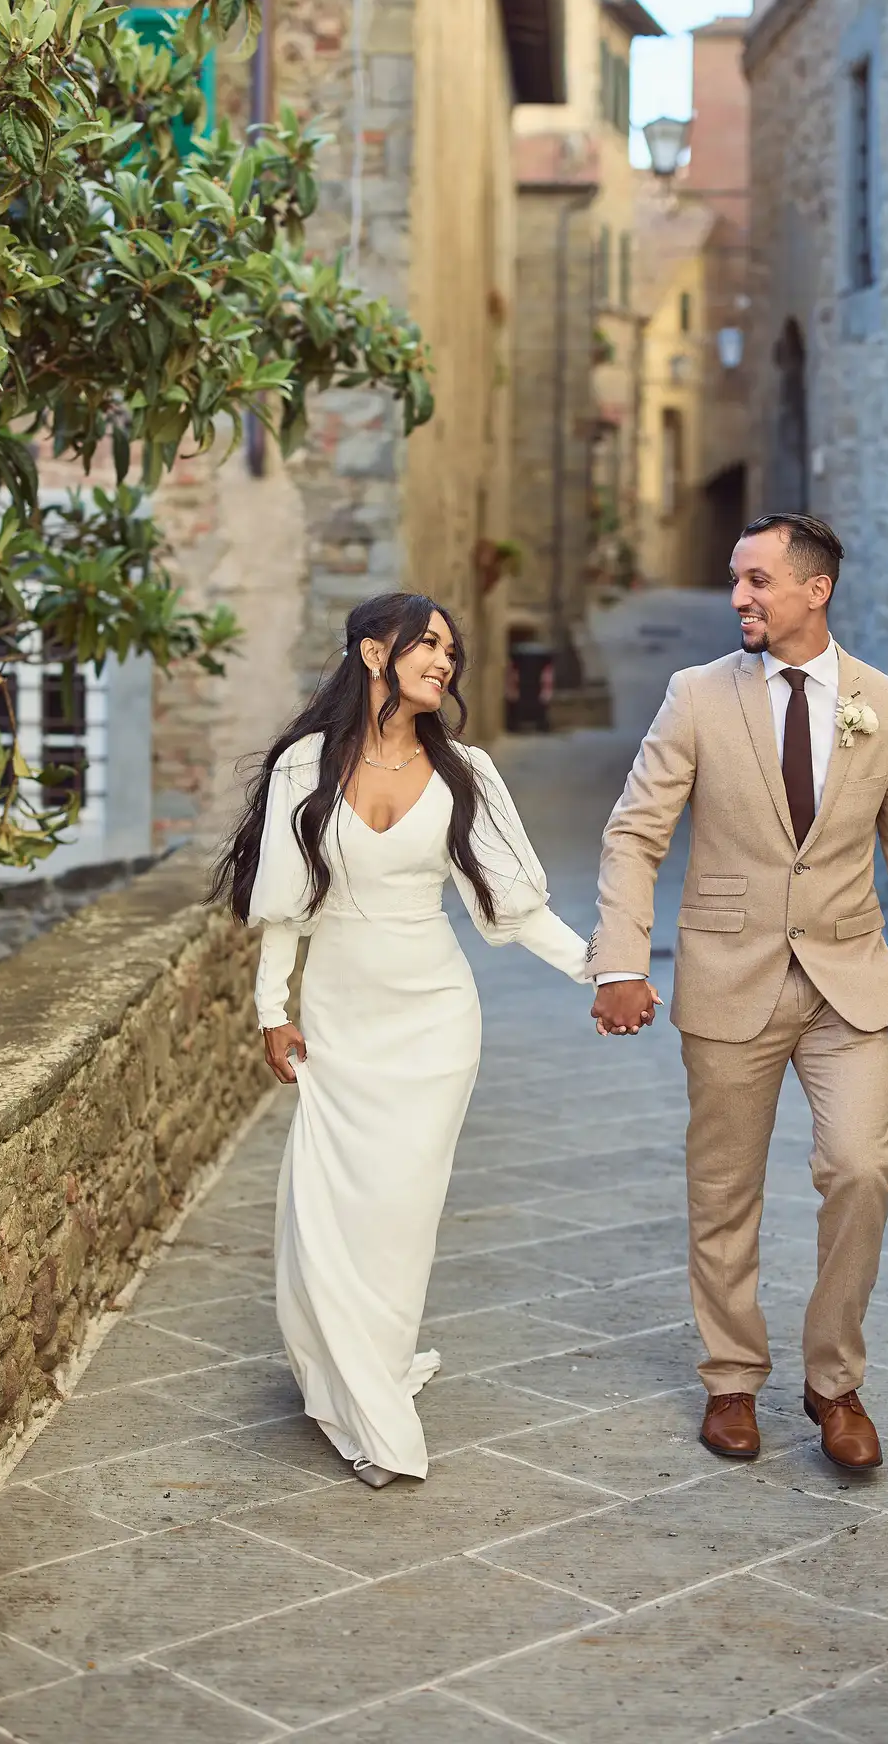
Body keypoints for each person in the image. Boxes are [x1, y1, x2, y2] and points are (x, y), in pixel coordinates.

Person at [588, 514, 888, 1472]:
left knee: (863, 1167)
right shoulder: (696, 695)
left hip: (849, 982)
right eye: (735, 579)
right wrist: (621, 961)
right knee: (725, 1188)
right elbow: (635, 832)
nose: (739, 597)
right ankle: (731, 1376)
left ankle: (834, 1382)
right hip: (730, 975)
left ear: (816, 590)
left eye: (757, 580)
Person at [212, 593, 604, 1489]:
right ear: (372, 653)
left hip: (435, 1024)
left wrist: (601, 970)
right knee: (327, 1209)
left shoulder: (467, 771)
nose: (444, 660)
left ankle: (378, 1396)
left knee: (401, 1218)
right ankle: (344, 1383)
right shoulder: (306, 764)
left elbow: (516, 908)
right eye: (427, 643)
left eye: (450, 650)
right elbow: (285, 904)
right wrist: (273, 1010)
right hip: (340, 1022)